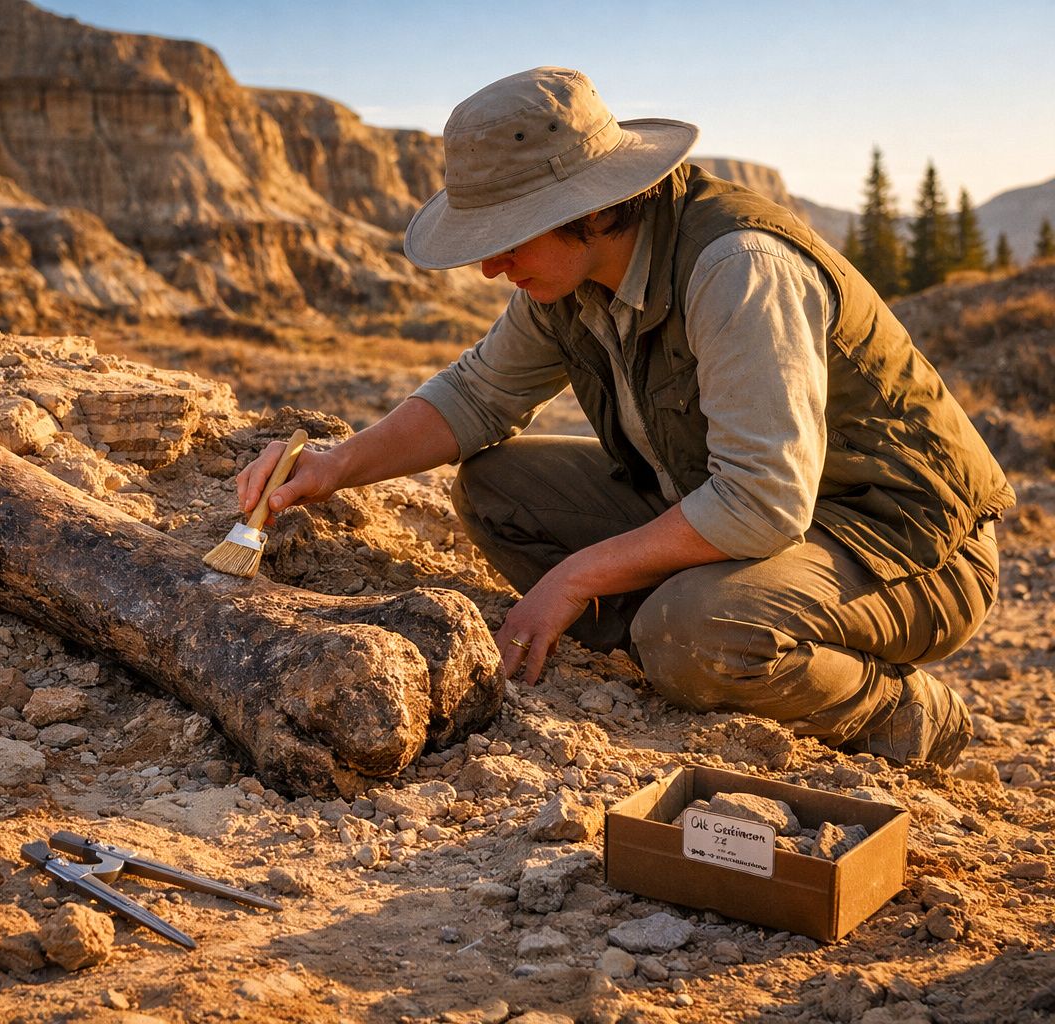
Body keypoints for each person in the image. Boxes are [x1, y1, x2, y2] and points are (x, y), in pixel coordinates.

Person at [235, 67, 1013, 768]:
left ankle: (906, 715)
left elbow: (761, 500)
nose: (488, 265)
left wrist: (578, 576)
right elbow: (475, 397)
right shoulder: (568, 277)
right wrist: (337, 463)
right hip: (734, 509)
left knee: (694, 632)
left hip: (904, 544)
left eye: (506, 236)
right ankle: (673, 643)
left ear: (590, 207)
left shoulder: (737, 268)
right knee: (500, 487)